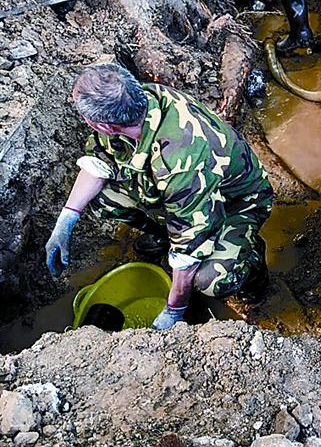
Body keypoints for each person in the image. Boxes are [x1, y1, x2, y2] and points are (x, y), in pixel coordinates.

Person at [45, 64, 273, 330]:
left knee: (210, 279)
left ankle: (252, 270)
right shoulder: (136, 102)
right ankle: (164, 235)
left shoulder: (179, 160)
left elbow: (190, 244)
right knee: (105, 197)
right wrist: (66, 220)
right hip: (186, 197)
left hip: (238, 202)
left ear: (104, 125)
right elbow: (99, 162)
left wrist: (174, 308)